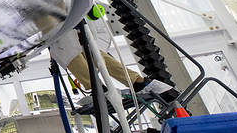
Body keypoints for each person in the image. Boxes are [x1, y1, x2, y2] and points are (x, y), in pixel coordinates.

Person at [49, 23, 177, 102]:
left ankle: (97, 89)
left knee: (64, 49)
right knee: (86, 48)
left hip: (56, 18)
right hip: (68, 15)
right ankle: (138, 82)